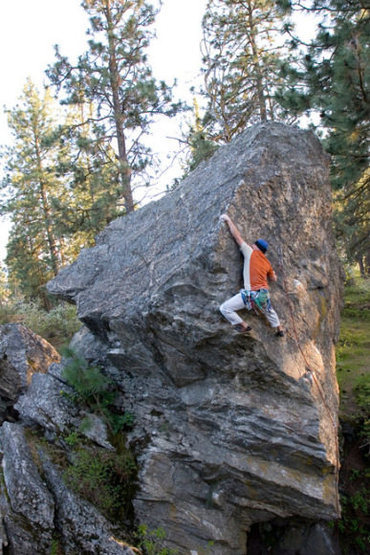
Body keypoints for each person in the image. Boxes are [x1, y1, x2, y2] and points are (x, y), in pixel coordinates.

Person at [219, 214, 284, 337]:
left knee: (224, 308)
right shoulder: (267, 263)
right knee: (269, 310)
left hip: (251, 293)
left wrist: (229, 220)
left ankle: (243, 325)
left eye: (253, 245)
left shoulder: (251, 252)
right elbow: (273, 278)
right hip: (263, 293)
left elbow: (237, 237)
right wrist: (274, 273)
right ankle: (279, 329)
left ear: (256, 247)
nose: (251, 245)